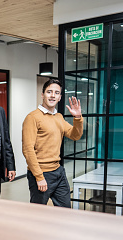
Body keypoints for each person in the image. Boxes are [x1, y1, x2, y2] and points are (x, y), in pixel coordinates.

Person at [22, 79, 83, 207]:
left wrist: (77, 118)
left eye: (56, 93)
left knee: (64, 210)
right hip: (41, 173)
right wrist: (39, 177)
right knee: (37, 213)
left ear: (60, 97)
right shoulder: (32, 117)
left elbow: (75, 135)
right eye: (49, 92)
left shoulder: (59, 117)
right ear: (42, 94)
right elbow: (28, 150)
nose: (52, 95)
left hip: (58, 171)